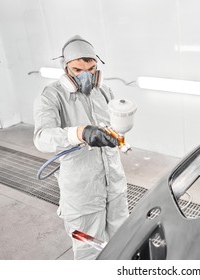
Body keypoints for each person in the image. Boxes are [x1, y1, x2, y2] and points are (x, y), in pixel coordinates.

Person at [33, 35, 129, 260]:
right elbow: (42, 138)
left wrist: (119, 135)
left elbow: (116, 128)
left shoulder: (105, 92)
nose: (86, 75)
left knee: (122, 241)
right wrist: (79, 133)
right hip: (82, 193)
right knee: (89, 250)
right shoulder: (51, 95)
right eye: (77, 70)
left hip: (114, 184)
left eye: (92, 68)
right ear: (65, 68)